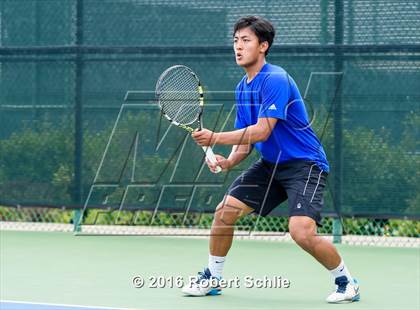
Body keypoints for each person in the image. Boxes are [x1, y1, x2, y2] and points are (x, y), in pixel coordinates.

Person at [182, 15, 360, 303]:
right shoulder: (243, 87)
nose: (238, 47)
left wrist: (214, 137)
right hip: (270, 166)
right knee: (224, 213)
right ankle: (212, 277)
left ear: (263, 46)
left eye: (246, 41)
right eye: (235, 41)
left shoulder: (275, 79)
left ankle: (346, 281)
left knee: (301, 232)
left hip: (305, 164)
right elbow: (247, 139)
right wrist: (228, 161)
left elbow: (263, 129)